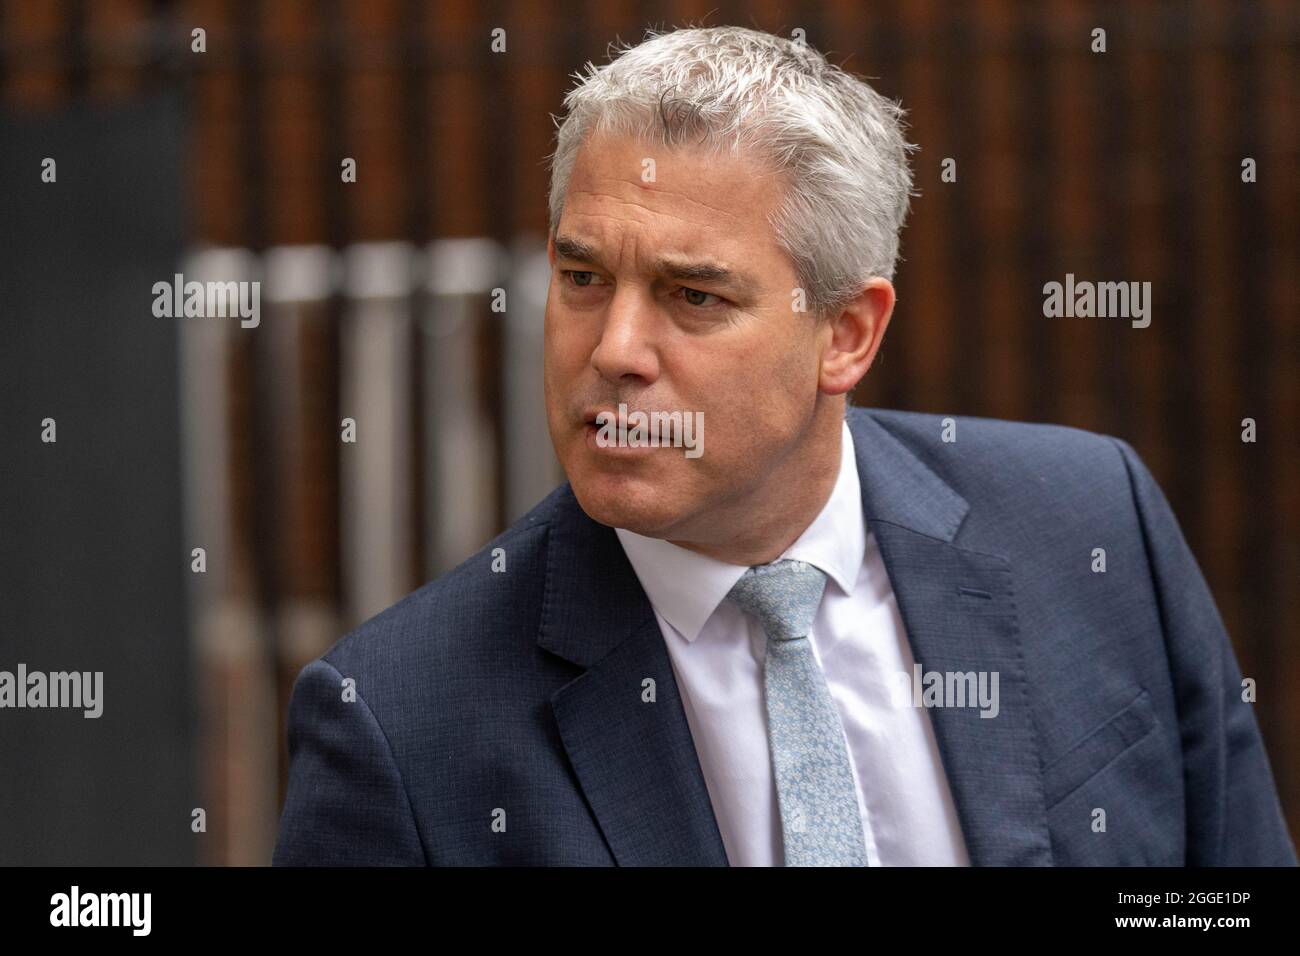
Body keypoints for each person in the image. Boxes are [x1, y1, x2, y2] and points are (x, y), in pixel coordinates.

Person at [272, 25, 1295, 866]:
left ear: (845, 333)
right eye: (583, 278)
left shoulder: (1086, 524)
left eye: (693, 296)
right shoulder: (402, 730)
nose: (616, 349)